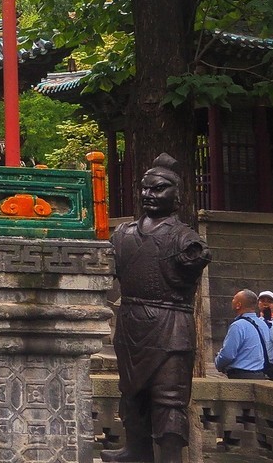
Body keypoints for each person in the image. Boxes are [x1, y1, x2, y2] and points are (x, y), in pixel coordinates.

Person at [102, 153, 211, 463]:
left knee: (169, 399)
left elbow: (195, 260)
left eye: (159, 188)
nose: (149, 195)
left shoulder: (186, 241)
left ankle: (171, 456)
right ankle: (136, 449)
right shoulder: (123, 234)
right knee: (132, 393)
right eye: (145, 188)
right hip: (131, 323)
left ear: (177, 195)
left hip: (170, 324)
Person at [214, 290, 271, 379]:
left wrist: (218, 363)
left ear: (238, 305)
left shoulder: (238, 325)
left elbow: (227, 355)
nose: (232, 301)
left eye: (234, 298)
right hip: (260, 375)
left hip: (240, 376)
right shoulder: (263, 324)